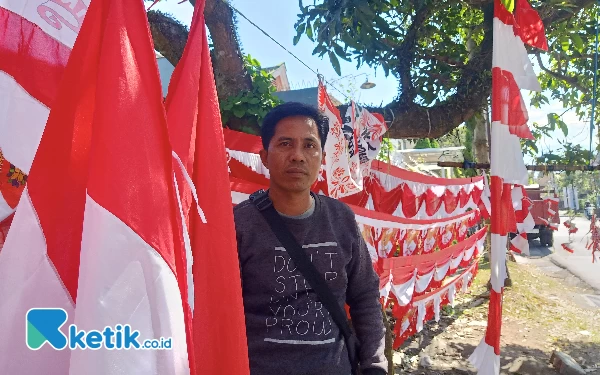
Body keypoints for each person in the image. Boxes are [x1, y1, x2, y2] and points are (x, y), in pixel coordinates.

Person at [234, 102, 387, 375]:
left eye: (309, 145)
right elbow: (220, 313)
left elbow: (365, 296)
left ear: (320, 156)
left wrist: (375, 365)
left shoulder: (341, 219)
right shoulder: (239, 225)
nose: (298, 156)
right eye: (284, 144)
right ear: (265, 157)